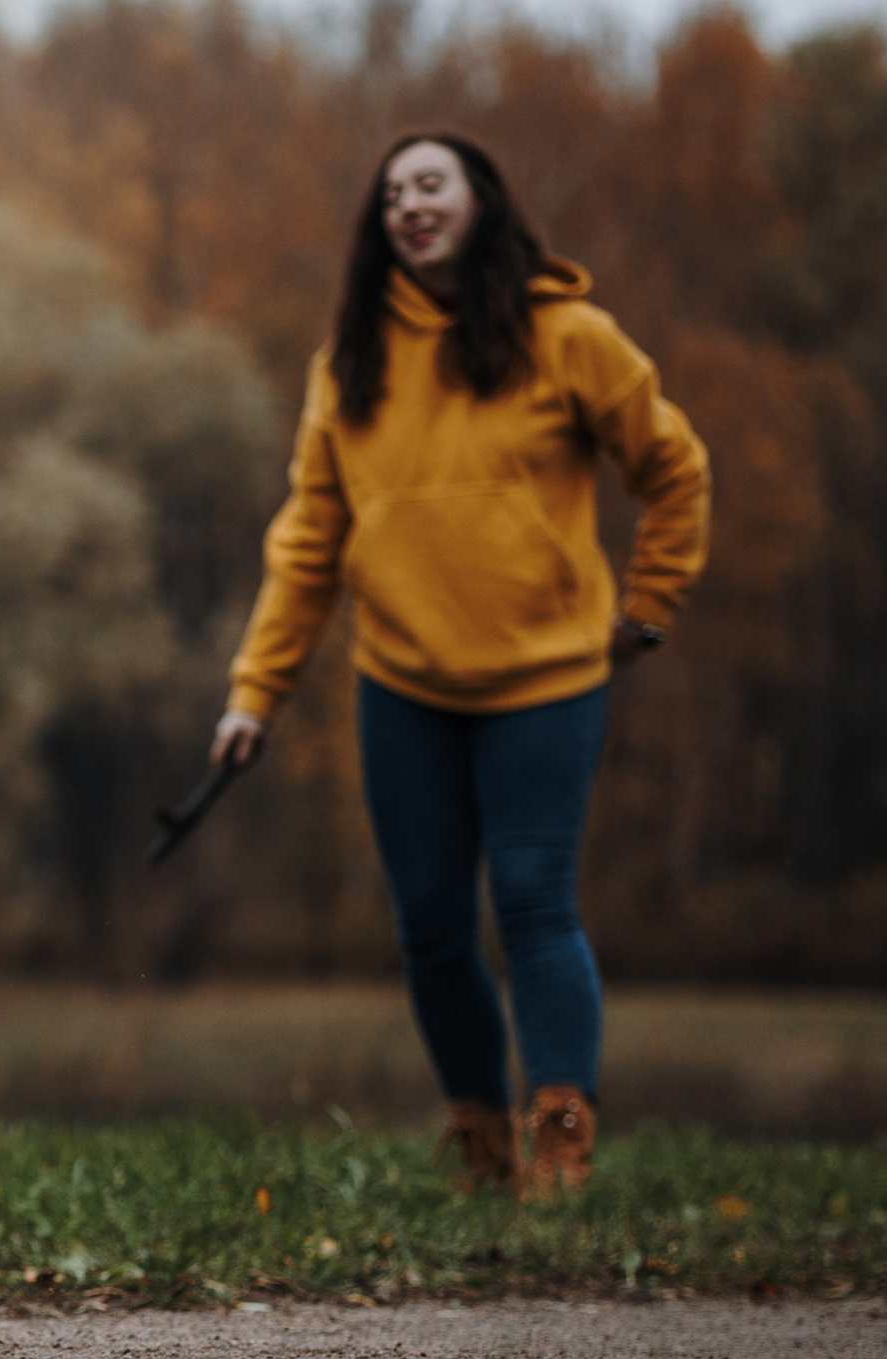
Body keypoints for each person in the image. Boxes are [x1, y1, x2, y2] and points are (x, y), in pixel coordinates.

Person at [210, 134, 708, 1198]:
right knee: (430, 925)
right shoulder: (348, 360)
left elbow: (675, 468)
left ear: (481, 198)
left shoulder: (567, 336)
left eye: (429, 184)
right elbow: (307, 539)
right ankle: (482, 1141)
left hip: (546, 681)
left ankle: (561, 1134)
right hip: (403, 685)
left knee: (533, 902)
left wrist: (647, 609)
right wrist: (256, 692)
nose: (409, 205)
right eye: (391, 193)